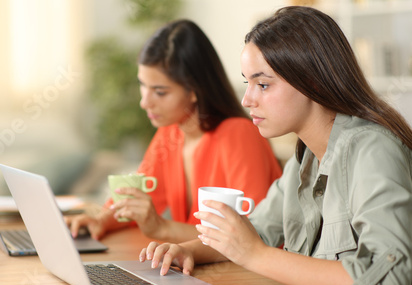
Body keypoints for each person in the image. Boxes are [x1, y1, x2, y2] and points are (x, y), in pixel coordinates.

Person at [139, 6, 412, 285]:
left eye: (263, 85)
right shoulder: (306, 156)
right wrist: (187, 250)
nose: (247, 100)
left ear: (312, 81)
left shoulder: (373, 150)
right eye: (247, 83)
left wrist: (255, 255)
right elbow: (258, 229)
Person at [66, 19, 282, 243]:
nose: (144, 102)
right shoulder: (170, 134)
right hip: (196, 267)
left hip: (245, 275)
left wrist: (161, 229)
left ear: (194, 90)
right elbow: (136, 200)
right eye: (143, 86)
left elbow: (250, 238)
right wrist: (100, 220)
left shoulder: (240, 135)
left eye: (160, 92)